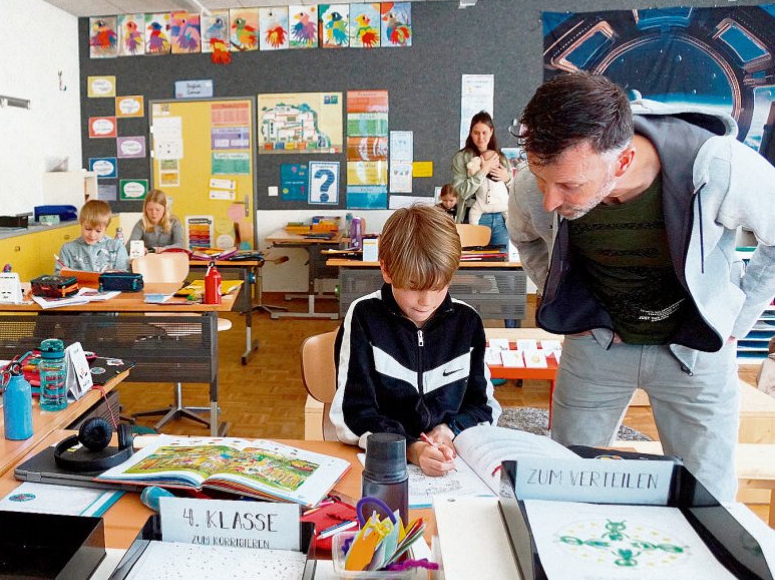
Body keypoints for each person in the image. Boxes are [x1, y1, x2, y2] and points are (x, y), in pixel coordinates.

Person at [507, 72, 775, 502]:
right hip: (598, 344)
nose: (549, 201)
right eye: (542, 179)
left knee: (707, 497)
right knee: (563, 484)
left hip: (694, 351)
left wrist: (737, 320)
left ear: (624, 162)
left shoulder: (719, 166)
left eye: (570, 186)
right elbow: (524, 236)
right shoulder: (535, 186)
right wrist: (564, 296)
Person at [328, 204, 501, 476]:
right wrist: (410, 448)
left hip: (452, 461)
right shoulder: (363, 315)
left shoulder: (467, 322)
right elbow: (351, 415)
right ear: (386, 270)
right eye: (413, 288)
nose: (426, 302)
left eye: (438, 287)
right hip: (385, 459)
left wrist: (450, 430)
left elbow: (484, 407)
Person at [452, 111, 512, 246]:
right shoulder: (462, 158)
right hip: (474, 217)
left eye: (484, 132)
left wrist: (507, 179)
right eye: (476, 133)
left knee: (502, 262)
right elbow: (463, 192)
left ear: (491, 132)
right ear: (470, 133)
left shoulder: (501, 157)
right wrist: (483, 170)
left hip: (501, 218)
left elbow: (514, 192)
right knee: (473, 263)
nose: (480, 137)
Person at [57, 199, 128, 272]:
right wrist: (63, 273)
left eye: (98, 231)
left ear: (105, 228)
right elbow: (58, 276)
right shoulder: (68, 249)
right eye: (88, 229)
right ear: (81, 223)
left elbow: (124, 275)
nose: (92, 235)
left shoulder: (117, 246)